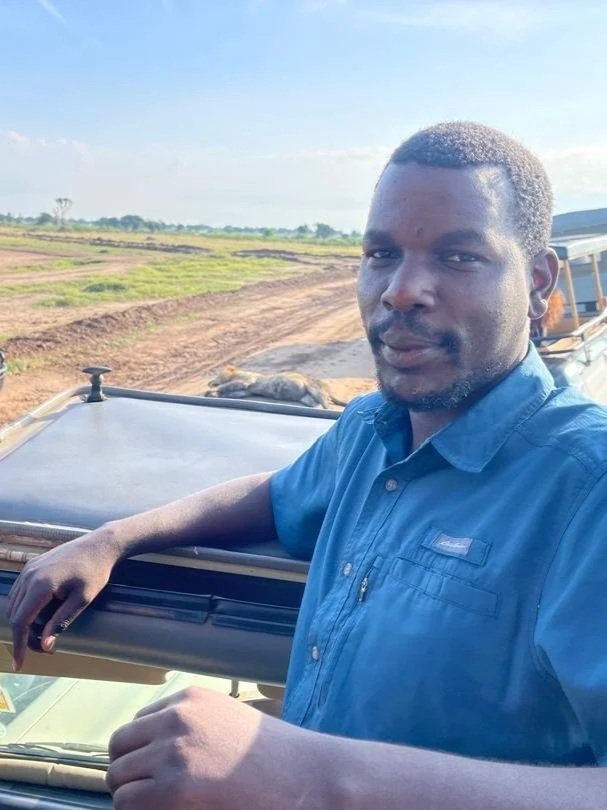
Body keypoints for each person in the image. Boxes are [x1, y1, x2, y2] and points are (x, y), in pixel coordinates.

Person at [7, 121, 607, 809]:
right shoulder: (368, 431)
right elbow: (276, 494)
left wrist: (306, 776)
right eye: (381, 253)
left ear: (536, 284)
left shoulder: (585, 488)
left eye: (458, 257)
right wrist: (115, 538)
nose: (402, 290)